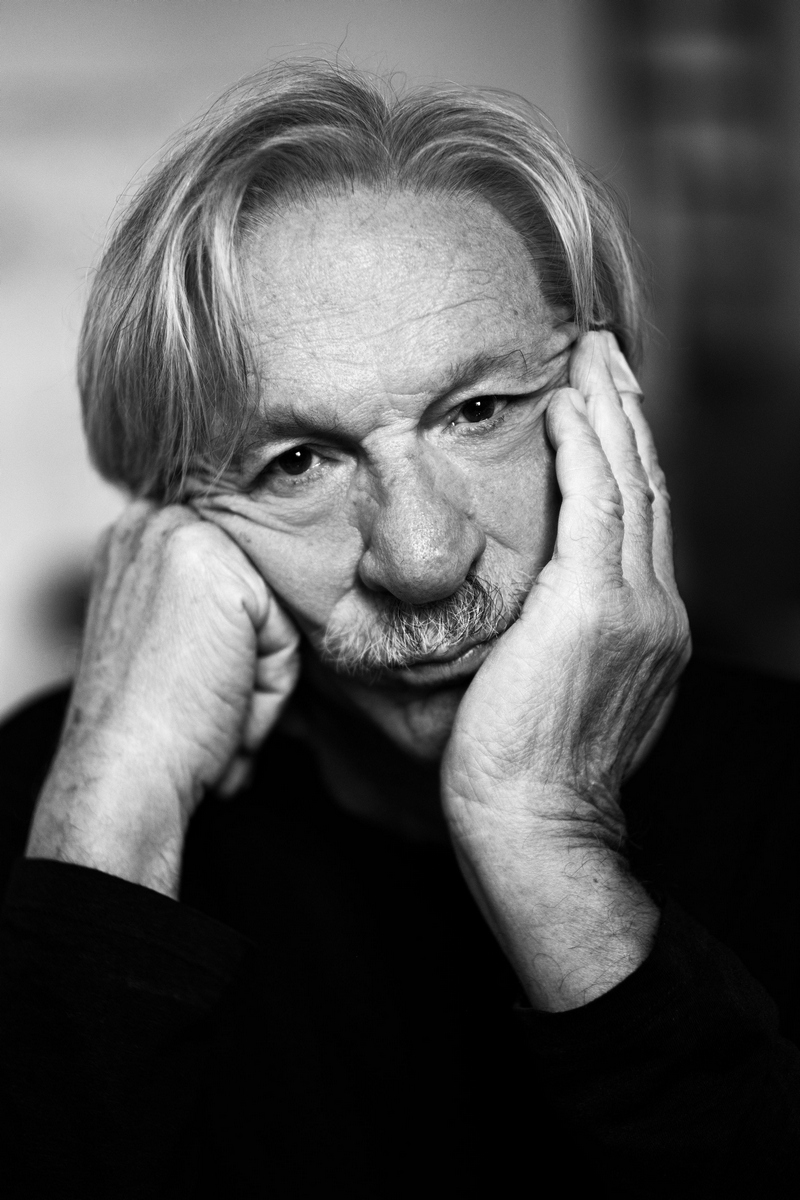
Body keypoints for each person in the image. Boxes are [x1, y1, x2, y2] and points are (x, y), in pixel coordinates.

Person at [1, 61, 798, 1196]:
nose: (421, 561)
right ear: (175, 521)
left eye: (477, 411)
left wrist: (542, 833)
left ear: (605, 402)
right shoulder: (48, 803)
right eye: (296, 463)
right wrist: (117, 807)